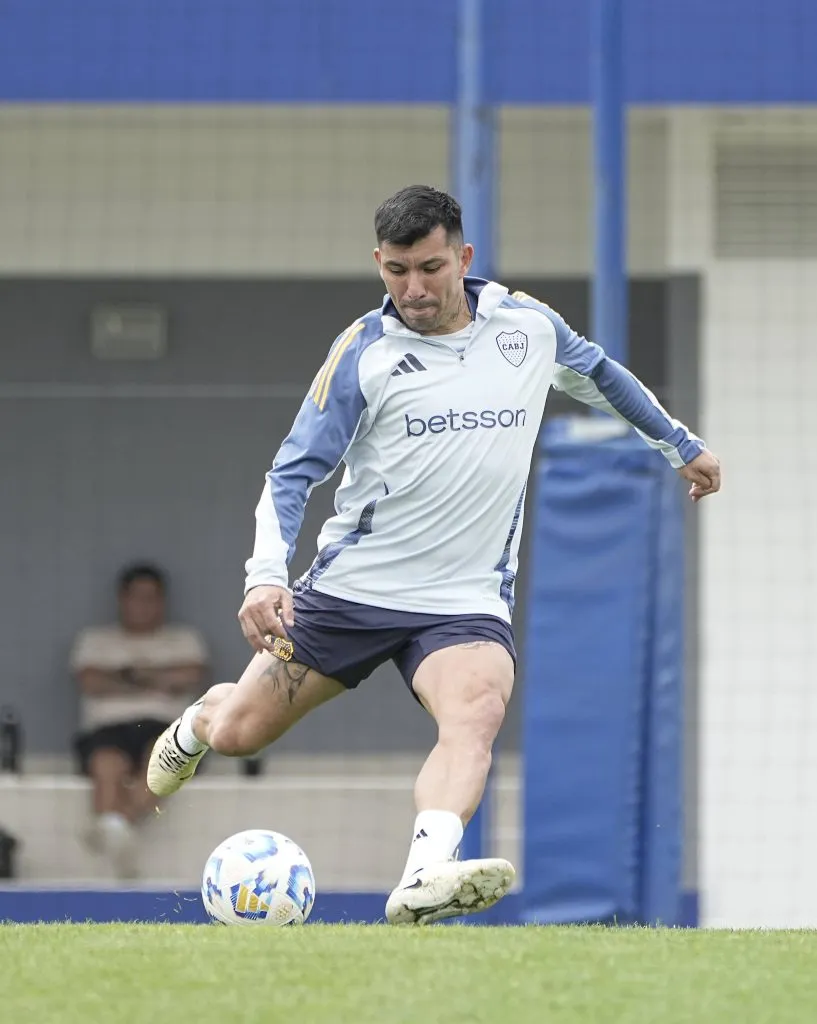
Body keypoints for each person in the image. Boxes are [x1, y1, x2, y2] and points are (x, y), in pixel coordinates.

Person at [147, 185, 721, 923]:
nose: (413, 289)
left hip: (464, 599)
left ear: (463, 257)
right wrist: (265, 577)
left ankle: (423, 874)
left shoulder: (526, 327)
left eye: (429, 268)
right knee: (239, 733)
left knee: (475, 714)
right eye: (396, 272)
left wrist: (679, 444)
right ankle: (198, 722)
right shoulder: (364, 353)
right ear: (378, 264)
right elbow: (291, 474)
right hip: (351, 591)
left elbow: (600, 373)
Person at [71, 563, 208, 877]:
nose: (144, 606)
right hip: (108, 730)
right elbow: (90, 681)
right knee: (107, 763)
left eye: (151, 598)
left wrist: (123, 677)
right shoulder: (96, 640)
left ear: (162, 601)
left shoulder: (183, 639)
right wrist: (157, 677)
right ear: (123, 599)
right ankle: (118, 831)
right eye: (137, 597)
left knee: (161, 760)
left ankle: (116, 824)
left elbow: (190, 675)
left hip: (166, 728)